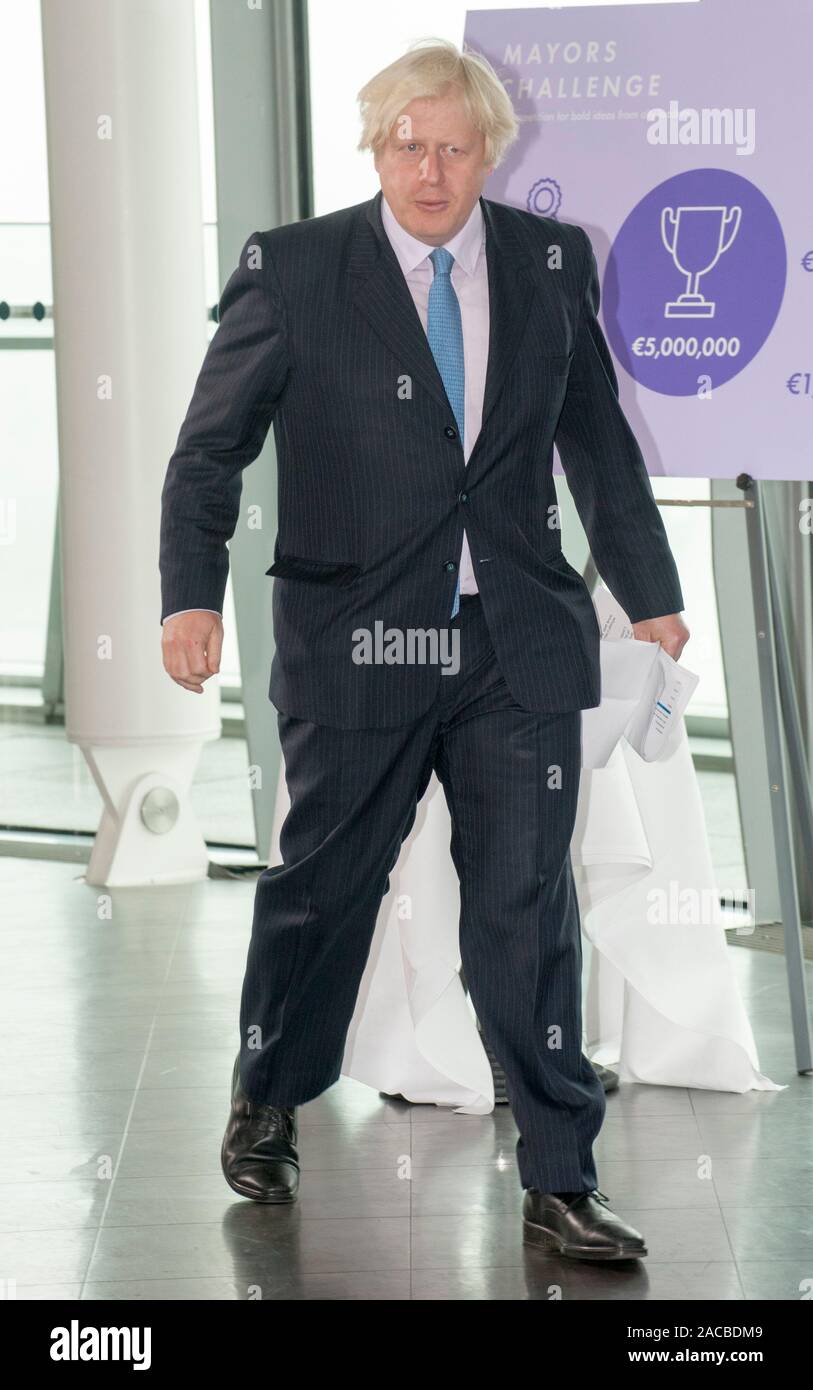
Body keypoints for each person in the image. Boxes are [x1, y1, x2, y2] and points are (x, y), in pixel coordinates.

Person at [159, 38, 689, 1262]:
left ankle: (561, 1175)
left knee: (524, 906)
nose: (432, 169)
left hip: (518, 642)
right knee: (322, 894)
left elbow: (596, 438)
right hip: (358, 637)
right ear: (375, 143)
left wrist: (650, 592)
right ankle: (268, 1092)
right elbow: (207, 451)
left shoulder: (552, 260)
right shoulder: (293, 270)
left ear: (489, 151)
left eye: (455, 147)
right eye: (410, 145)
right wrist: (191, 596)